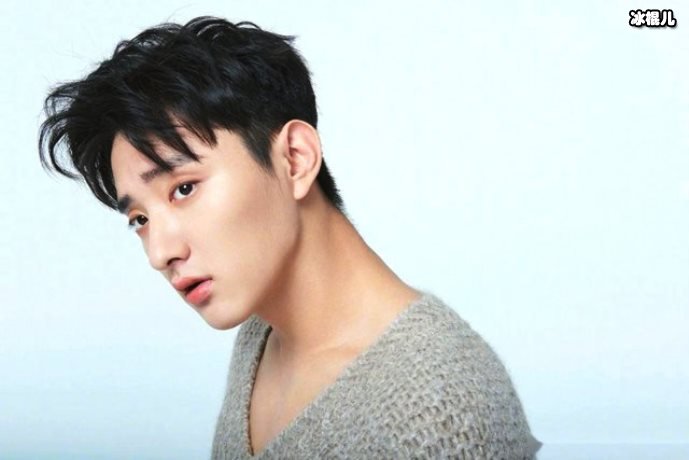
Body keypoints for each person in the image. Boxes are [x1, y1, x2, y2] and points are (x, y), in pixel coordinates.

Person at [39, 16, 541, 459]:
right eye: (139, 219)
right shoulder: (261, 328)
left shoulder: (436, 416)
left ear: (296, 159)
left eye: (184, 188)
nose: (160, 252)